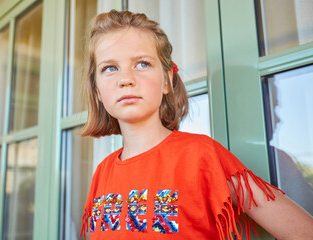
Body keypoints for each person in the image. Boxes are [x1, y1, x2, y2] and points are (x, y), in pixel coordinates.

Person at [79, 10, 313, 240]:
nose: (125, 79)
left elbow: (303, 231)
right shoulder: (102, 172)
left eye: (142, 64)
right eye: (110, 68)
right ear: (98, 90)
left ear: (167, 80)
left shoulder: (202, 155)